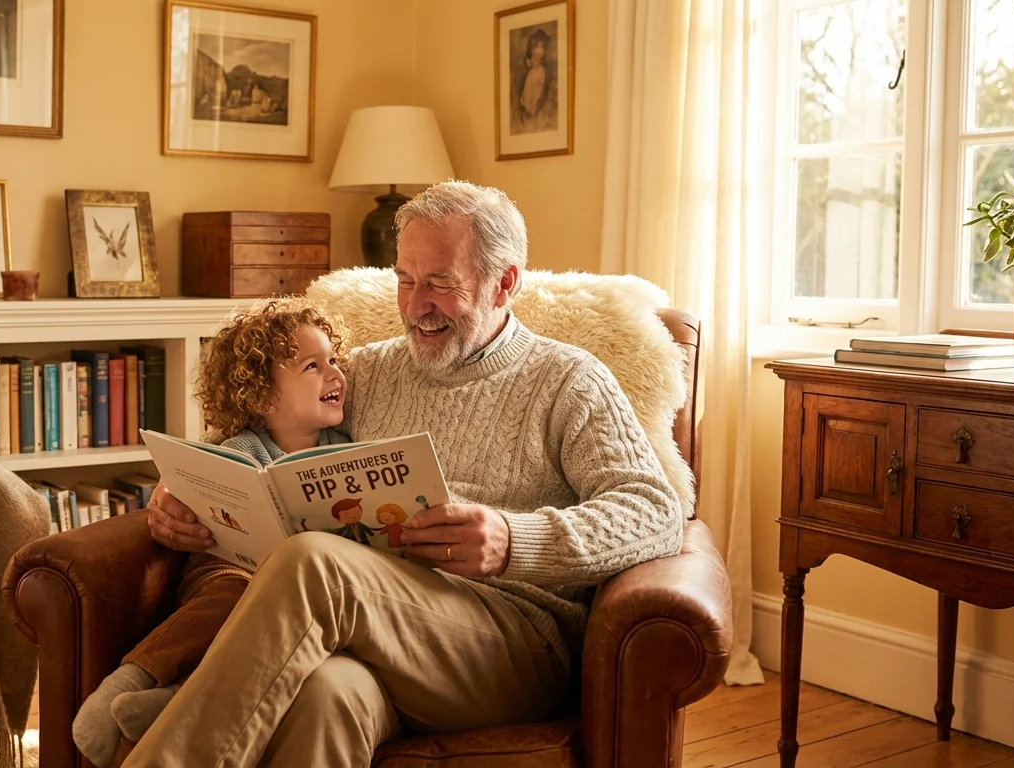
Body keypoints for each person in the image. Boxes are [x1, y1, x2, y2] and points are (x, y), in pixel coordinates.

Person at [126, 180, 685, 767]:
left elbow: (653, 509)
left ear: (505, 283)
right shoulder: (365, 373)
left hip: (510, 644)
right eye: (405, 280)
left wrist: (513, 539)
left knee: (314, 561)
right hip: (374, 640)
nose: (417, 305)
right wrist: (179, 495)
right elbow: (251, 445)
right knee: (327, 695)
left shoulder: (569, 380)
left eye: (441, 283)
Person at [71, 296, 352, 767]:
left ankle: (178, 698)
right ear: (263, 398)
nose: (335, 374)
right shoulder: (237, 449)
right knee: (234, 597)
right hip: (227, 571)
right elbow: (186, 480)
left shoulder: (345, 449)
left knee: (294, 631)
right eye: (312, 366)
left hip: (304, 592)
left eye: (333, 360)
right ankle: (131, 680)